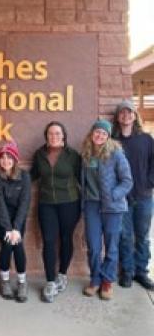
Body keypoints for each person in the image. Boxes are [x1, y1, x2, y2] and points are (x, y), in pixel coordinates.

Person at [81, 119, 132, 300]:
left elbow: (127, 181)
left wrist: (113, 195)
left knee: (111, 247)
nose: (100, 135)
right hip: (91, 205)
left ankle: (107, 281)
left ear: (108, 136)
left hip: (113, 208)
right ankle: (95, 279)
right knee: (94, 246)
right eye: (97, 131)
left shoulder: (116, 153)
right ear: (92, 133)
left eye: (104, 133)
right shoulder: (86, 154)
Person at [31, 121, 81, 303]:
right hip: (47, 204)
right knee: (49, 241)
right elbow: (33, 175)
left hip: (70, 203)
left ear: (64, 136)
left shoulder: (73, 155)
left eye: (58, 133)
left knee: (67, 238)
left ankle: (63, 274)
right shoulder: (39, 154)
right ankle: (50, 281)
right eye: (51, 134)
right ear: (46, 136)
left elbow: (82, 177)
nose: (54, 136)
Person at [113, 99, 154, 290]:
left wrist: (149, 183)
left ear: (134, 116)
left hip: (144, 197)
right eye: (122, 112)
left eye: (129, 112)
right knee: (125, 236)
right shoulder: (113, 141)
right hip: (122, 199)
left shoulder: (146, 139)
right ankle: (127, 272)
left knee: (143, 236)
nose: (126, 115)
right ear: (118, 117)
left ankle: (141, 272)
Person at [0, 141, 31, 302]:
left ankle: (22, 282)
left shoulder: (24, 176)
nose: (5, 161)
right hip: (0, 217)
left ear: (15, 159)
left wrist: (16, 228)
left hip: (18, 218)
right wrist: (7, 228)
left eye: (9, 157)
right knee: (8, 243)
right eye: (2, 157)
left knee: (18, 243)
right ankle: (5, 280)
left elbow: (24, 203)